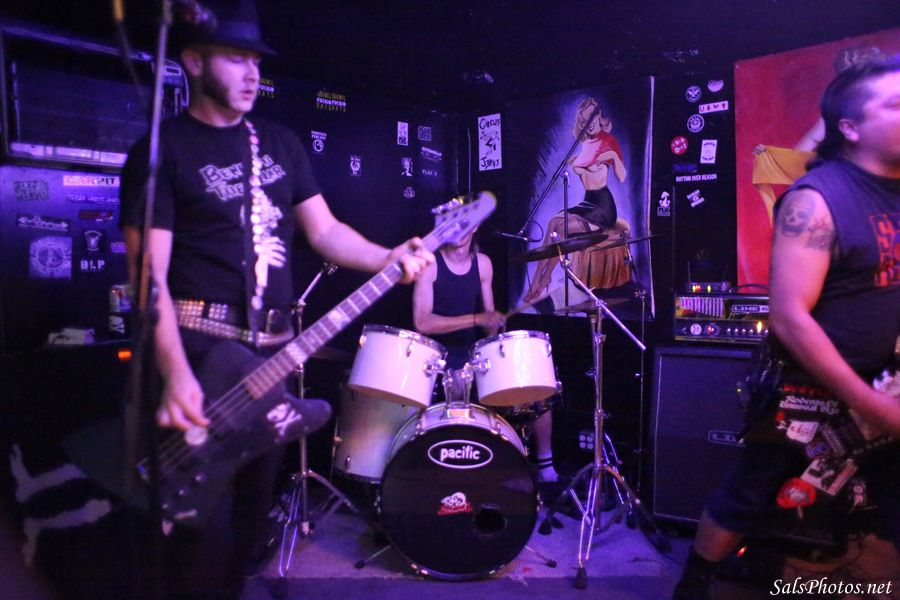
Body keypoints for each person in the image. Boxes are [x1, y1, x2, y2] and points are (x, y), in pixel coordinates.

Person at [119, 2, 432, 598]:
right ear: (193, 60)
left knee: (248, 530)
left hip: (275, 355)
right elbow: (147, 278)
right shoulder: (163, 151)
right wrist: (175, 373)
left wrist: (387, 257)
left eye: (256, 61)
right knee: (199, 536)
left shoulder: (280, 143)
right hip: (201, 351)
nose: (252, 73)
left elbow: (326, 232)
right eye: (236, 58)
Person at [673, 58, 900, 599]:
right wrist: (870, 404)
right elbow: (789, 316)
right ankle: (695, 585)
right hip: (811, 390)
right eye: (895, 104)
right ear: (850, 127)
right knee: (749, 493)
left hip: (885, 382)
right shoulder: (817, 199)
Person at [413, 230, 561, 483]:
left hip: (473, 351)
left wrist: (494, 325)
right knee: (458, 382)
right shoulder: (430, 264)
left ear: (474, 228)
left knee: (534, 380)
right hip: (439, 356)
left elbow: (488, 320)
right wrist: (476, 319)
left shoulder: (483, 263)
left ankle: (545, 465)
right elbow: (422, 322)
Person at [524, 97, 629, 304]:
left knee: (561, 230)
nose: (588, 124)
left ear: (599, 118)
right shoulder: (584, 145)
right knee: (553, 224)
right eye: (584, 120)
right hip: (587, 202)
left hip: (602, 207)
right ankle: (538, 280)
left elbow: (622, 176)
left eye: (592, 118)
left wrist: (613, 156)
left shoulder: (608, 142)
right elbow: (581, 168)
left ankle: (542, 281)